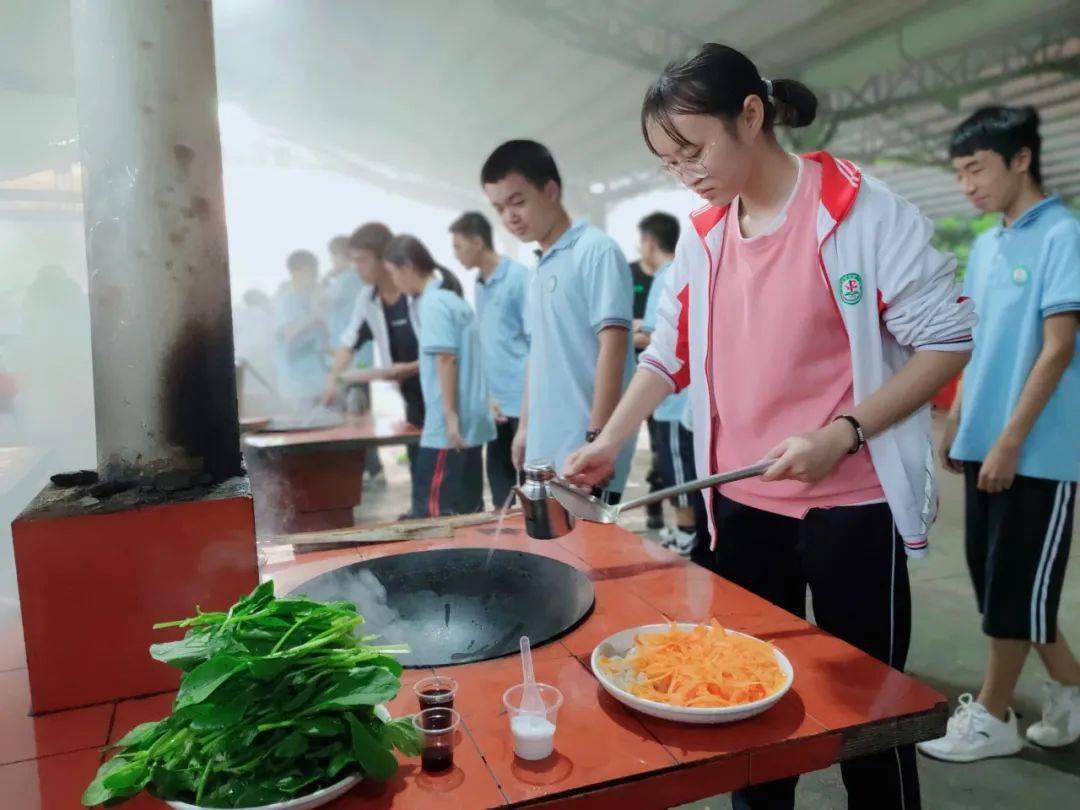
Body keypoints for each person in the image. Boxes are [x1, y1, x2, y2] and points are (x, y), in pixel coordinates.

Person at [563, 43, 976, 810]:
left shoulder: (860, 212)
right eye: (669, 162)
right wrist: (611, 439)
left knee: (869, 718)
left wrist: (843, 433)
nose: (686, 173)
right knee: (742, 708)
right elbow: (669, 355)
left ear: (751, 116)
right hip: (741, 509)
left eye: (694, 150)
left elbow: (947, 342)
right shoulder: (704, 237)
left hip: (850, 511)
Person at [918, 106, 1080, 762]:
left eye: (976, 169)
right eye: (959, 173)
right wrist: (961, 421)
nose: (967, 185)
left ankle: (992, 715)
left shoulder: (1063, 235)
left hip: (1039, 449)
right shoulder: (987, 244)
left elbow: (1057, 349)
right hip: (985, 440)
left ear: (1020, 159)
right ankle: (1072, 689)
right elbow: (980, 344)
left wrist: (1010, 440)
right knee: (999, 585)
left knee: (1013, 591)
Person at [481, 139, 636, 501]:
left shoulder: (595, 250)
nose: (509, 217)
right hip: (545, 448)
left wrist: (597, 438)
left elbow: (613, 349)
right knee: (547, 537)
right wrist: (525, 428)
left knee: (588, 538)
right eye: (499, 208)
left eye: (517, 202)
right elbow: (537, 353)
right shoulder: (538, 268)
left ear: (551, 191)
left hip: (586, 454)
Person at [384, 234, 495, 516]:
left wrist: (449, 416)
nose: (393, 281)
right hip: (471, 420)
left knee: (432, 512)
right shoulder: (453, 300)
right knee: (468, 509)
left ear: (408, 266)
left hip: (448, 428)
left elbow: (447, 358)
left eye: (393, 272)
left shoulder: (432, 304)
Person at [449, 211, 529, 509]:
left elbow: (536, 342)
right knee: (500, 487)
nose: (455, 255)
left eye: (458, 246)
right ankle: (506, 536)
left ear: (478, 241)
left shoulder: (519, 278)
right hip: (495, 402)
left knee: (532, 487)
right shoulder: (480, 284)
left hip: (523, 399)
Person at [635, 212, 698, 555]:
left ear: (649, 241)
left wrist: (622, 334)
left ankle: (688, 534)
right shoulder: (682, 271)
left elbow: (660, 339)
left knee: (678, 469)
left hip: (674, 399)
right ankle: (686, 530)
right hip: (683, 398)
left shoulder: (665, 276)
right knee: (677, 467)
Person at [322, 234, 384, 482]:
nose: (333, 262)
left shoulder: (346, 280)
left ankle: (369, 469)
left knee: (355, 417)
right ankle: (372, 468)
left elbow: (321, 303)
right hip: (355, 360)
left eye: (334, 256)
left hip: (353, 363)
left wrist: (325, 278)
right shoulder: (359, 282)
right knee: (360, 415)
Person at [274, 250, 329, 404]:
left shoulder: (311, 299)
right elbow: (288, 333)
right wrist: (315, 315)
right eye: (310, 273)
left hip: (319, 381)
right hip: (298, 385)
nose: (314, 278)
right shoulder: (287, 301)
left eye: (316, 273)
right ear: (294, 272)